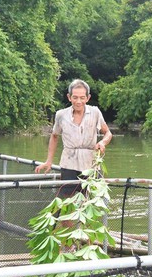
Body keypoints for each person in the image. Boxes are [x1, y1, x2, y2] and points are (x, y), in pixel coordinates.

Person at [35, 79, 112, 221]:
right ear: (69, 97)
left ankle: (87, 239)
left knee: (91, 204)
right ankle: (68, 241)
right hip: (69, 163)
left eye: (82, 98)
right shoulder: (61, 115)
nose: (78, 101)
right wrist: (49, 161)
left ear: (88, 98)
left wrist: (102, 142)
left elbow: (108, 133)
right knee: (66, 205)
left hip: (91, 165)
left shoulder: (95, 112)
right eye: (75, 97)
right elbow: (54, 136)